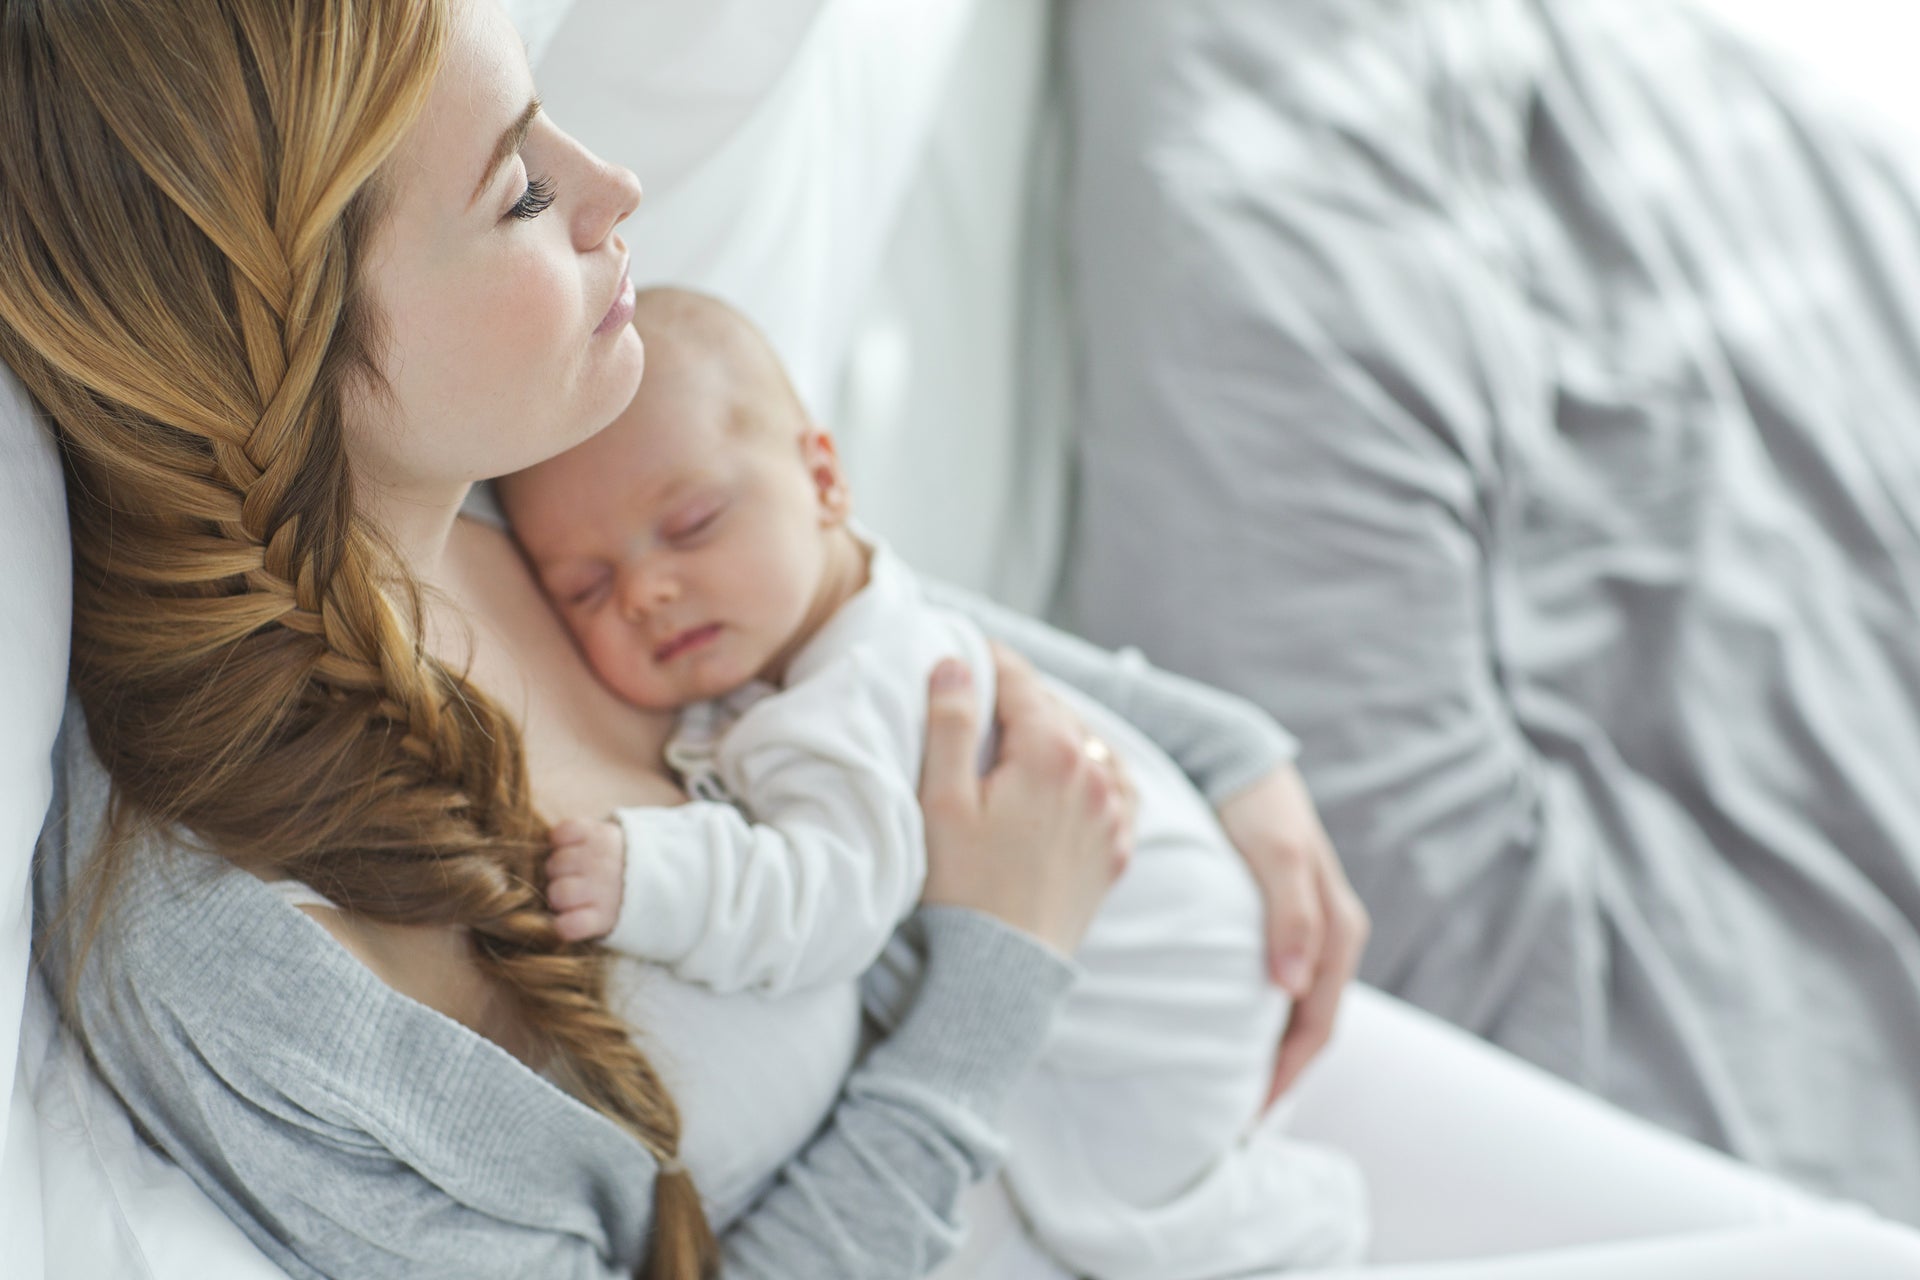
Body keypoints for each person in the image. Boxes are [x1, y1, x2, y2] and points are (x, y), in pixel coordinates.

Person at [9, 0, 1920, 1277]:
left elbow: (842, 591)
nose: (616, 193)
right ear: (289, 348)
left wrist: (1219, 744)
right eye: (523, 188)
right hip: (1027, 1140)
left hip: (1140, 1034)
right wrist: (1003, 952)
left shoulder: (511, 491)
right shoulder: (257, 970)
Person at [494, 285, 1369, 1280]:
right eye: (585, 588)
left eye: (691, 524)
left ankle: (1293, 1223)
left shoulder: (847, 699)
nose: (647, 589)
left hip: (1166, 1002)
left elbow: (831, 894)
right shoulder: (828, 606)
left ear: (825, 478)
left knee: (1135, 1223)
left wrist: (652, 873)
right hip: (1185, 939)